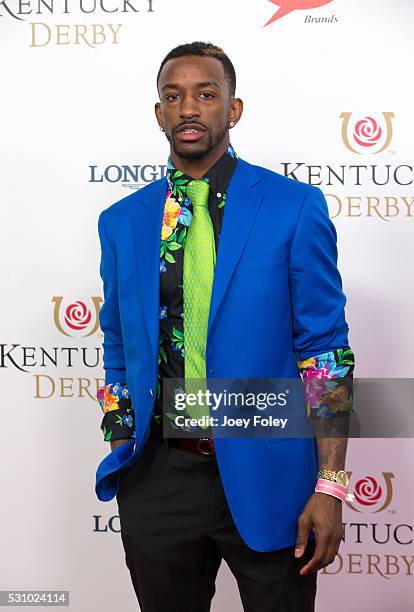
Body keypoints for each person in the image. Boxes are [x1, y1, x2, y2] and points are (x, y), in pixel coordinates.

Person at [95, 41, 355, 612]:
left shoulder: (293, 207)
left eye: (205, 94)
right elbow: (117, 343)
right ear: (159, 113)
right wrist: (121, 440)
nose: (189, 107)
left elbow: (325, 353)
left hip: (273, 473)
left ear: (232, 110)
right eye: (173, 96)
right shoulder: (120, 223)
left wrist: (330, 485)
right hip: (158, 476)